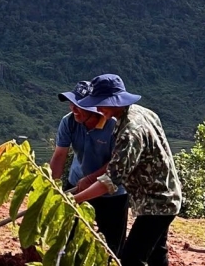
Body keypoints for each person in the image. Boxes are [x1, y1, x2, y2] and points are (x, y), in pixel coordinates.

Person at [69, 75, 182, 266]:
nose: (97, 108)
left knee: (131, 258)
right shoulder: (142, 112)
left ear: (114, 102)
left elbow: (110, 181)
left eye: (100, 103)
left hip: (156, 202)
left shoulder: (130, 132)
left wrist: (76, 200)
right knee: (156, 254)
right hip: (165, 195)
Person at [51, 81, 128, 255]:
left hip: (112, 193)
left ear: (93, 108)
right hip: (76, 184)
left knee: (112, 245)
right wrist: (52, 186)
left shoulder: (114, 126)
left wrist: (91, 178)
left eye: (78, 106)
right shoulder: (69, 122)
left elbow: (117, 162)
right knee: (69, 237)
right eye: (71, 104)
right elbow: (59, 156)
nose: (73, 109)